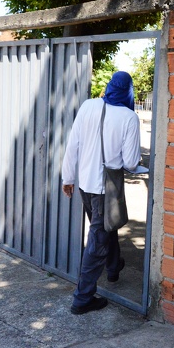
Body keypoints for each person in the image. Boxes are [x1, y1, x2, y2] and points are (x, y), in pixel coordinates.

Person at [62, 71, 141, 315]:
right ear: (129, 91)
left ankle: (114, 267)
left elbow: (73, 143)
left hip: (85, 185)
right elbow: (130, 162)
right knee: (97, 242)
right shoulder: (129, 117)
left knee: (108, 226)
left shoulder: (88, 105)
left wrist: (68, 178)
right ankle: (82, 298)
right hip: (105, 189)